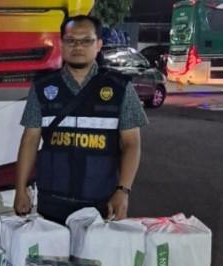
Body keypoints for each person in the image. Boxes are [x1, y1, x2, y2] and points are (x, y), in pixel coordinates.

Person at [13, 15, 148, 224]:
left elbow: (132, 144)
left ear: (99, 44)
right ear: (61, 44)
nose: (78, 46)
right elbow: (30, 140)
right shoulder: (42, 87)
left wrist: (123, 191)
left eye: (86, 40)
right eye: (71, 40)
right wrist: (20, 188)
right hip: (52, 202)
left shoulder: (120, 88)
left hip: (101, 204)